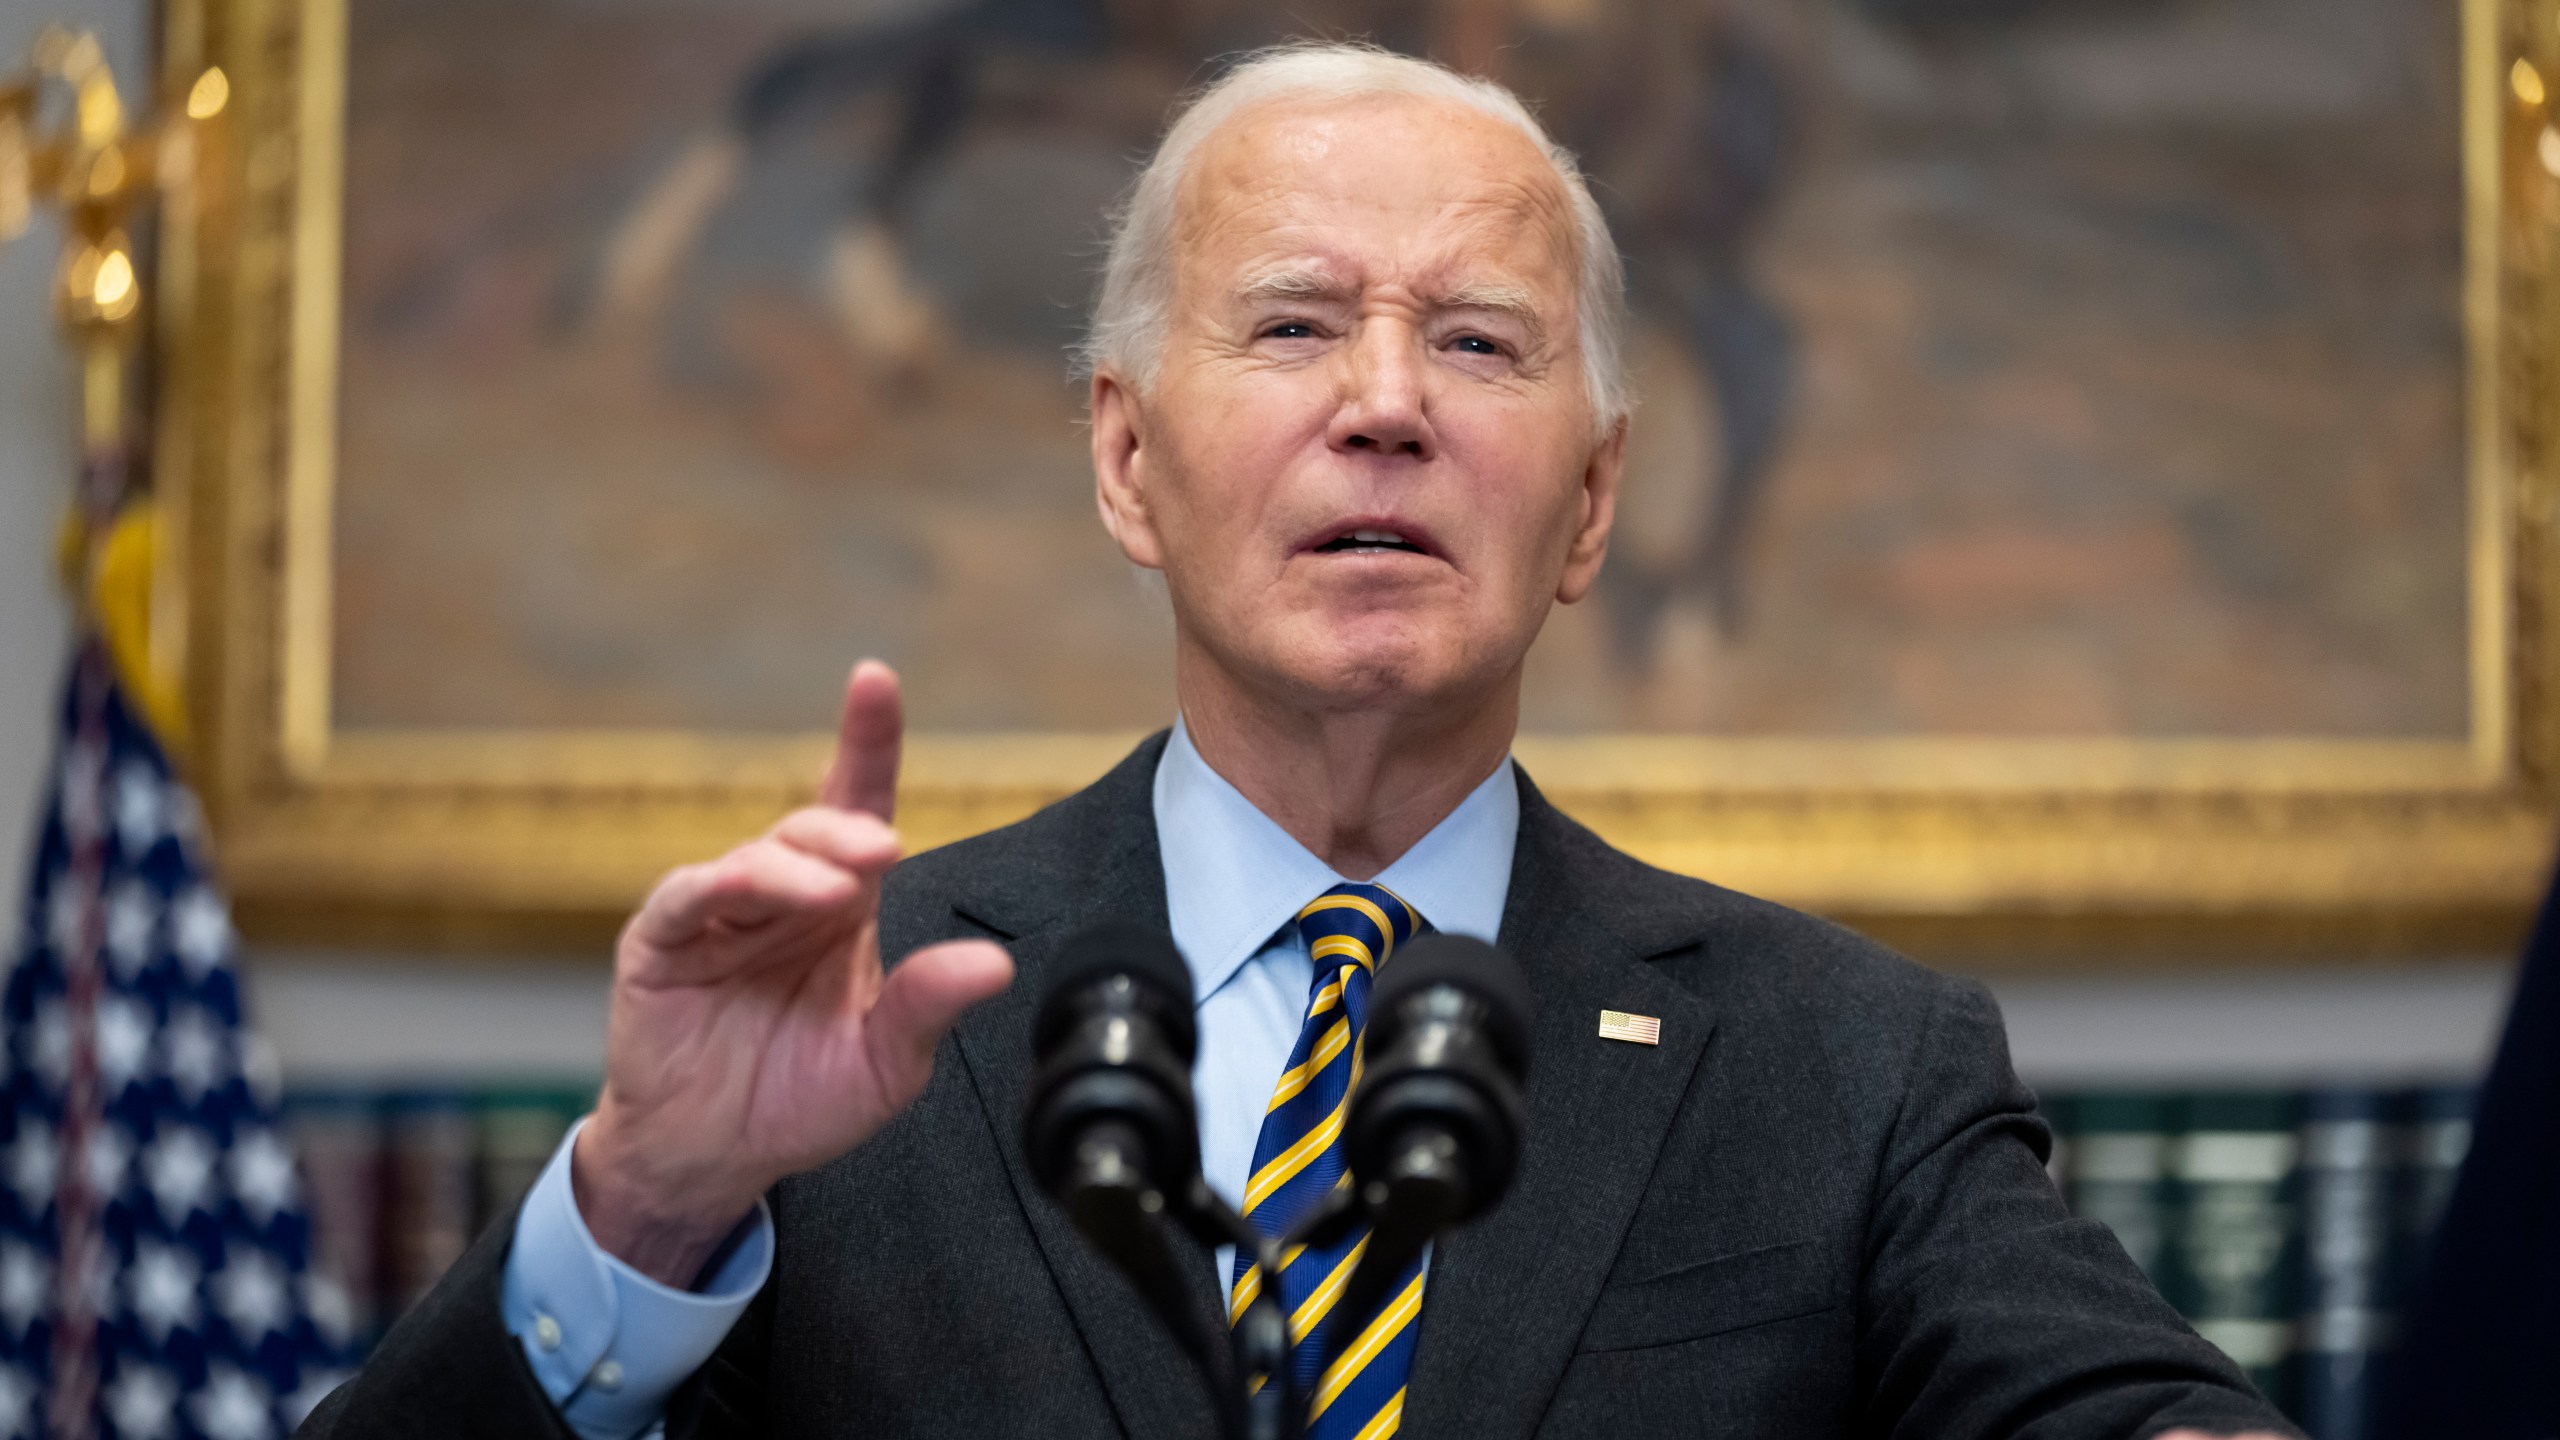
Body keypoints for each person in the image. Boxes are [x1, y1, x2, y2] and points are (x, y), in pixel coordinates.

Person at [300, 43, 2298, 1440]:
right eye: (1288, 324)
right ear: (1122, 459)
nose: (1383, 405)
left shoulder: (1844, 1068)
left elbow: (2114, 1405)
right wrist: (645, 1205)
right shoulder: (856, 1027)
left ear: (1590, 504)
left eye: (1478, 339)